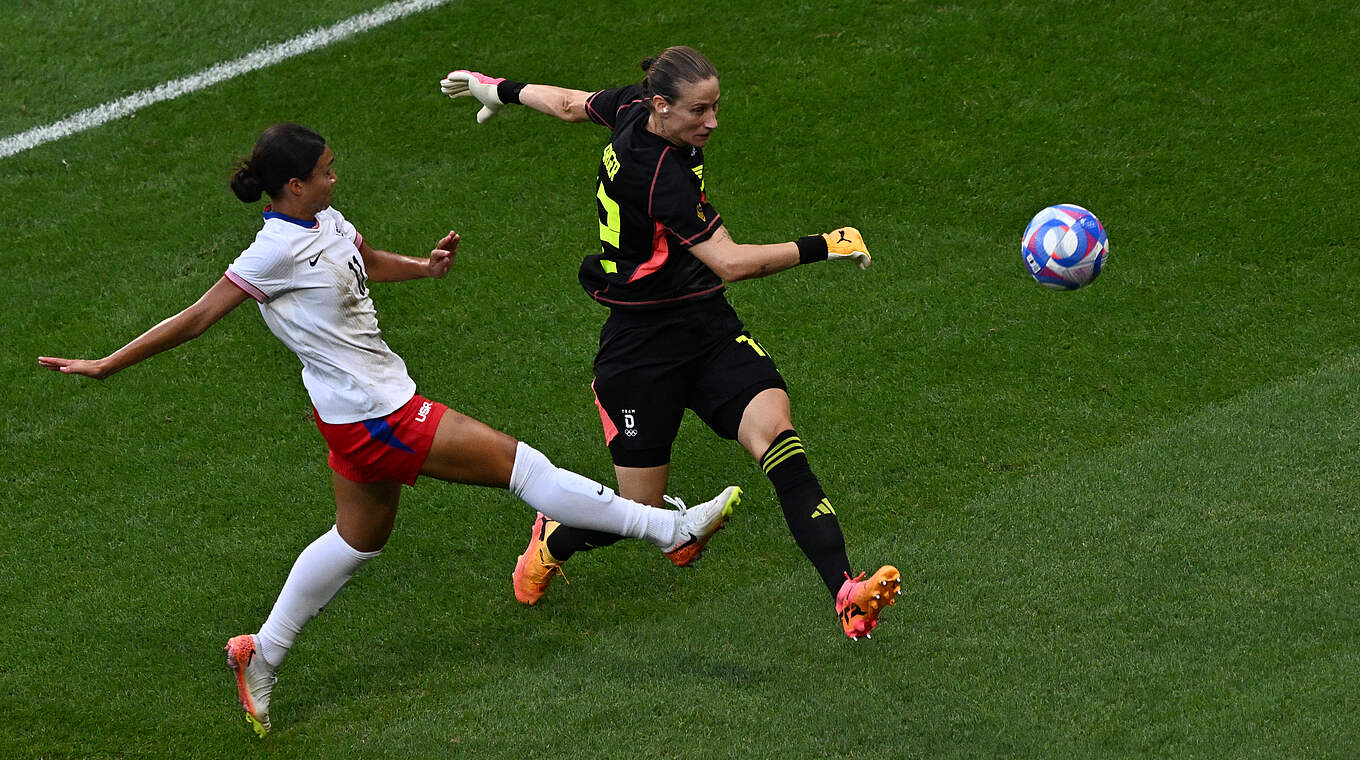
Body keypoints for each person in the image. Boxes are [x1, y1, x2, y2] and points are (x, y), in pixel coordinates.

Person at [37, 123, 740, 738]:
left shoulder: (329, 220)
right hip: (378, 416)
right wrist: (107, 364)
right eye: (325, 172)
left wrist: (424, 269)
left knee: (358, 540)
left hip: (356, 415)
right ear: (291, 185)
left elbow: (363, 262)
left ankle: (263, 653)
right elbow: (193, 318)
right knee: (524, 467)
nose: (336, 178)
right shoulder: (268, 253)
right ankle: (667, 531)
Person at [439, 46, 902, 641]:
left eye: (716, 107)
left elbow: (568, 105)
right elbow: (732, 262)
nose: (712, 123)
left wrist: (496, 86)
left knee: (780, 440)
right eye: (699, 111)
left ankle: (846, 592)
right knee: (640, 512)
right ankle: (553, 537)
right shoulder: (658, 175)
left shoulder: (634, 106)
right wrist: (826, 243)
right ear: (662, 106)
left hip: (706, 327)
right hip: (639, 347)